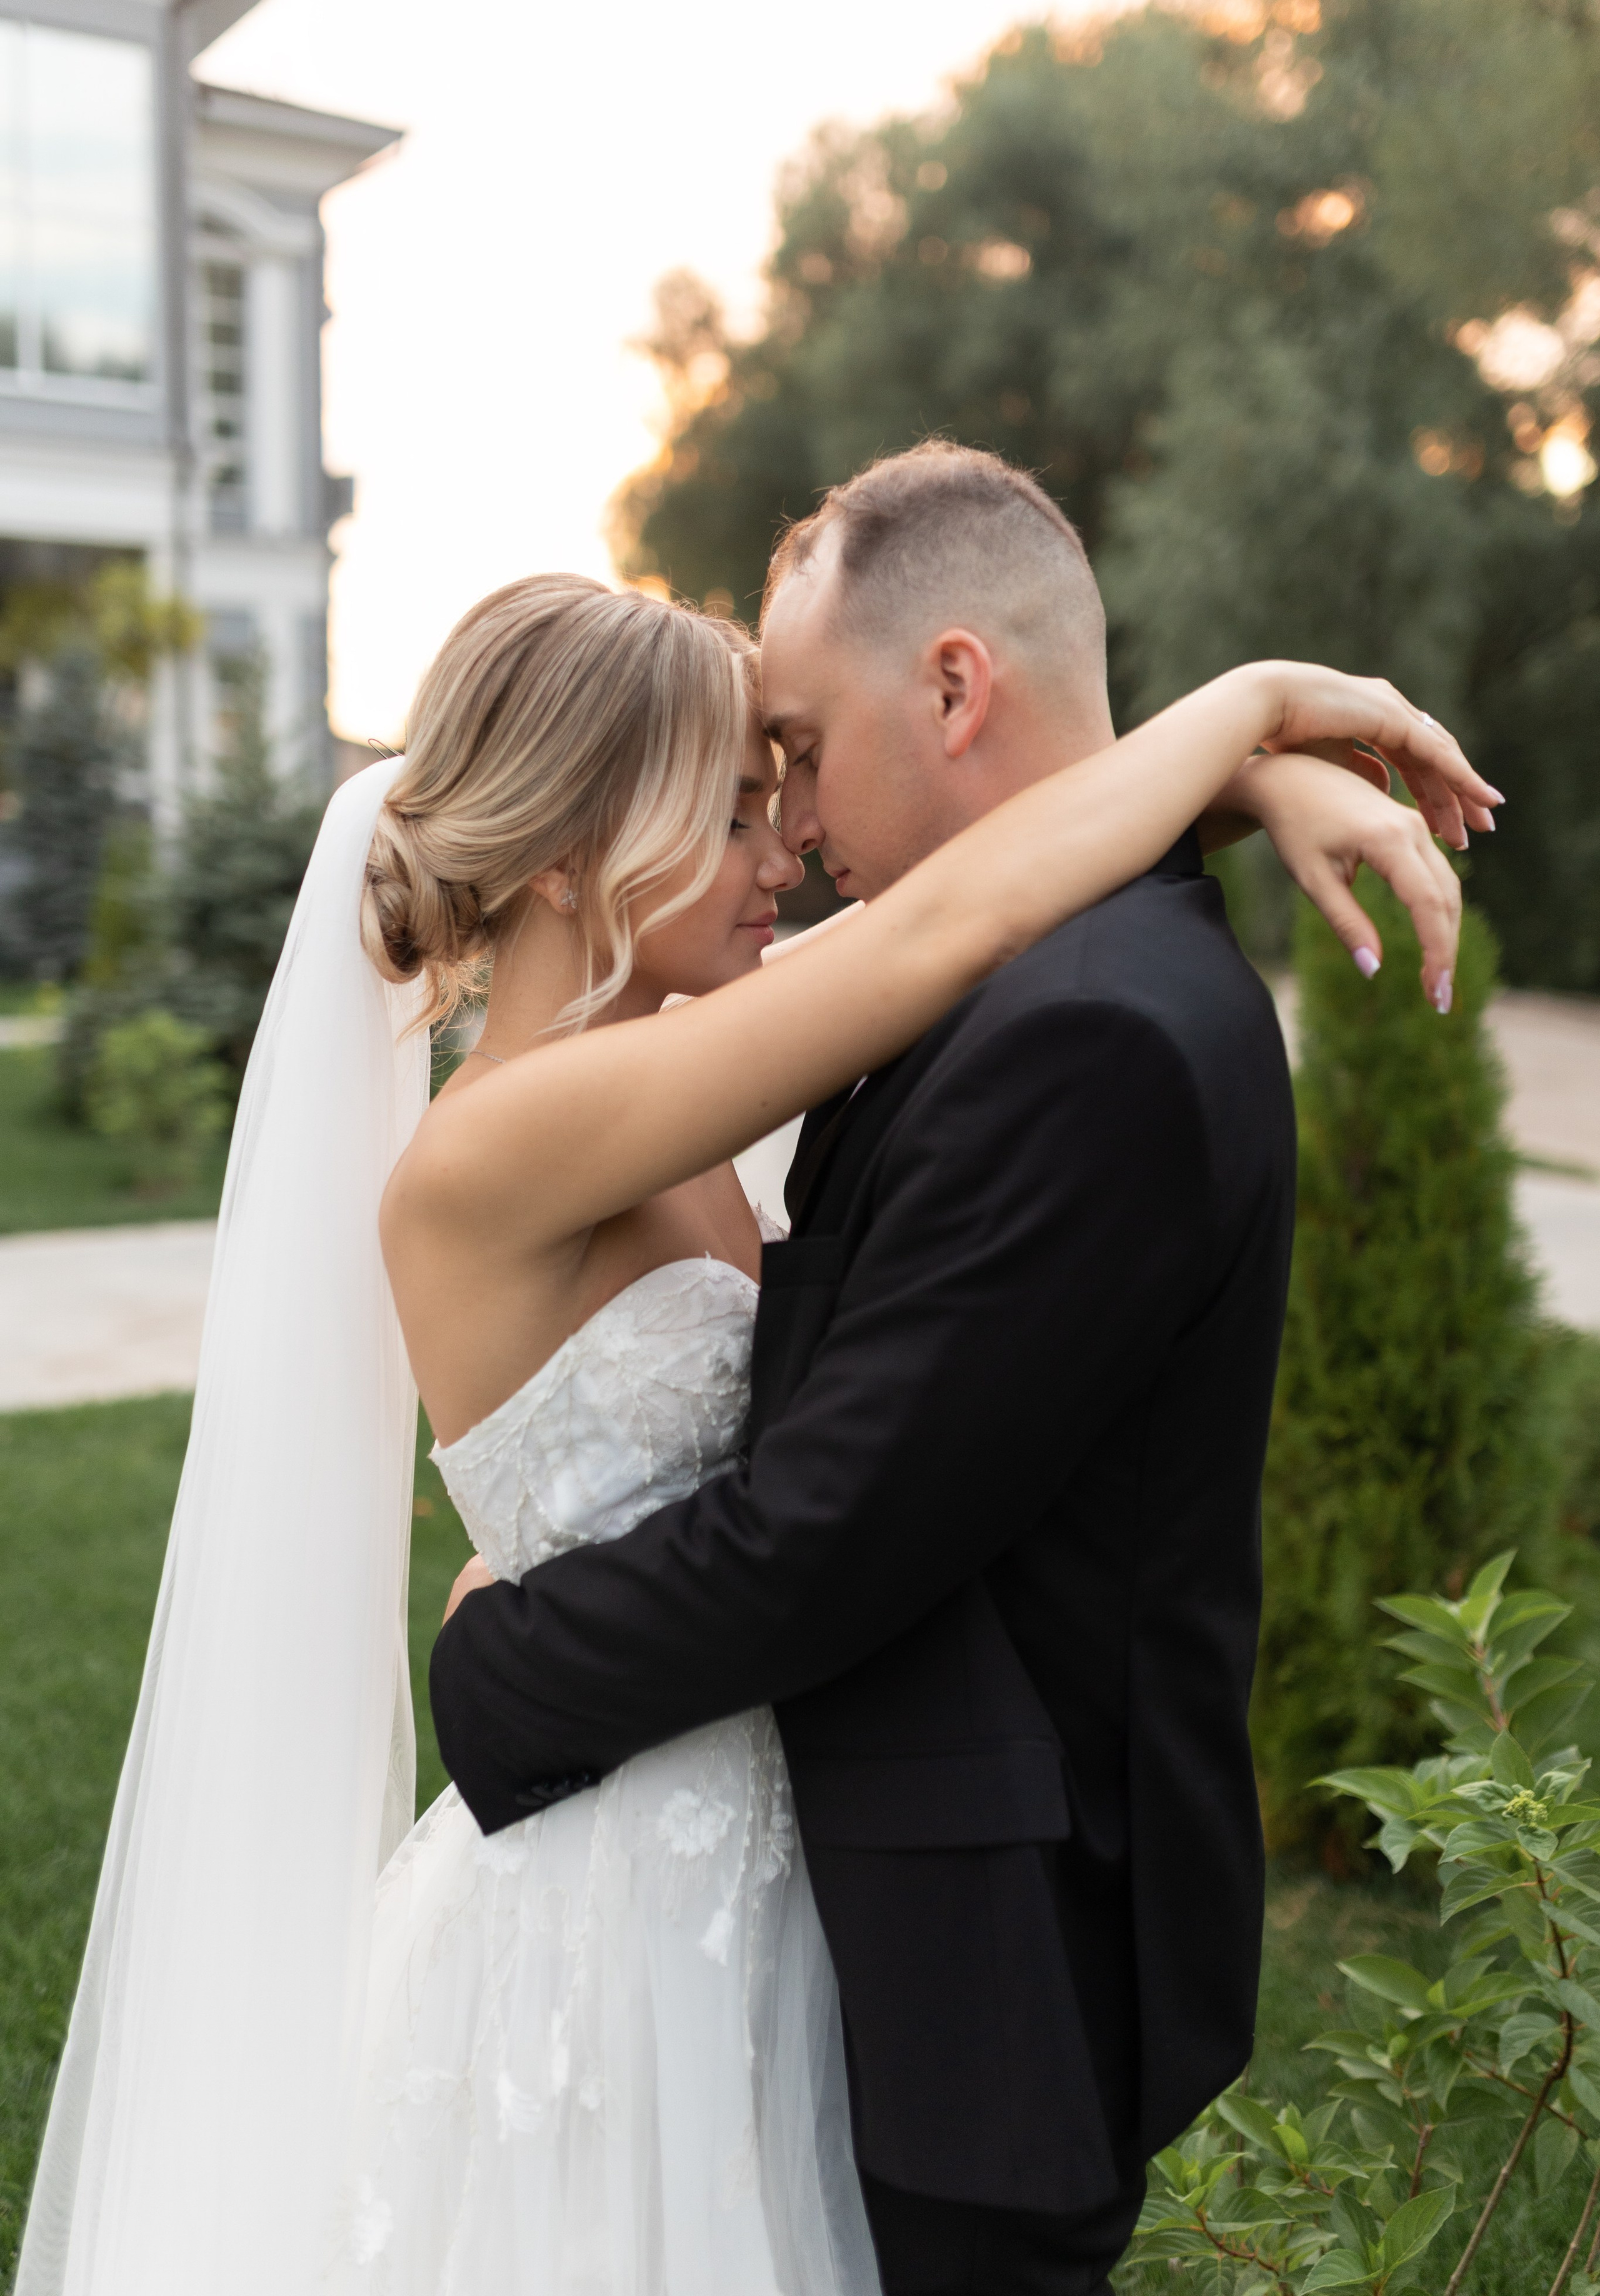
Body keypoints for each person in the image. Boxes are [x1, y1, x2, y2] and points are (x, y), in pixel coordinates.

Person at [16, 477, 1492, 2296]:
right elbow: (943, 930)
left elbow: (981, 897)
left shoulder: (677, 1051)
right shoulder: (529, 1132)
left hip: (775, 1859)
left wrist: (1238, 792)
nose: (783, 839)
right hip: (618, 1903)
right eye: (731, 804)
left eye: (780, 779)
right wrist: (1251, 711)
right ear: (569, 854)